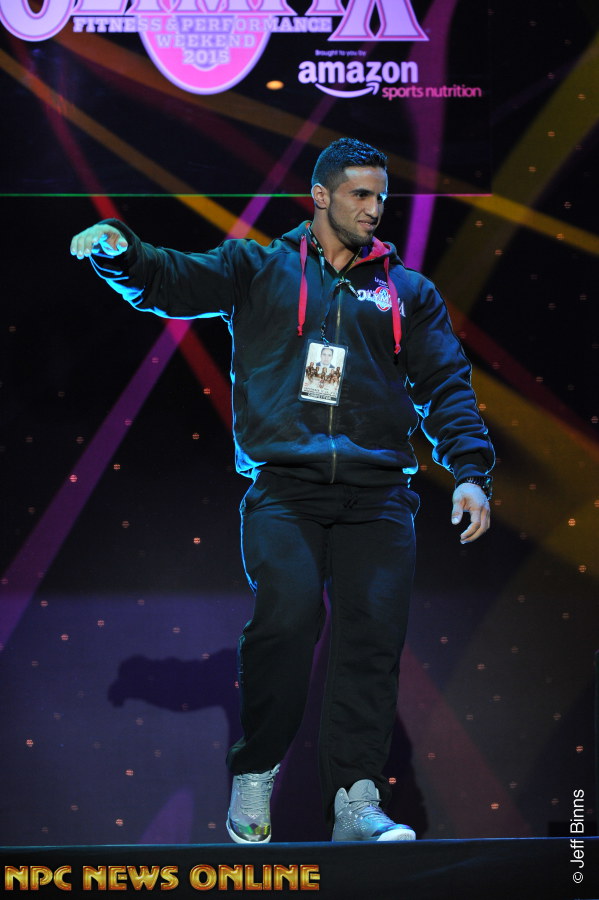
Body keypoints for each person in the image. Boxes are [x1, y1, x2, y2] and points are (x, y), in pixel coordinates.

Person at [70, 138, 494, 844]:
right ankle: (257, 769)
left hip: (378, 498)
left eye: (381, 197)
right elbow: (173, 280)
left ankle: (356, 802)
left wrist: (471, 472)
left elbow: (445, 384)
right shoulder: (258, 268)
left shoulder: (407, 292)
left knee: (371, 642)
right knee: (287, 623)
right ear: (320, 197)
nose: (374, 209)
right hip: (285, 490)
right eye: (360, 194)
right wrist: (122, 253)